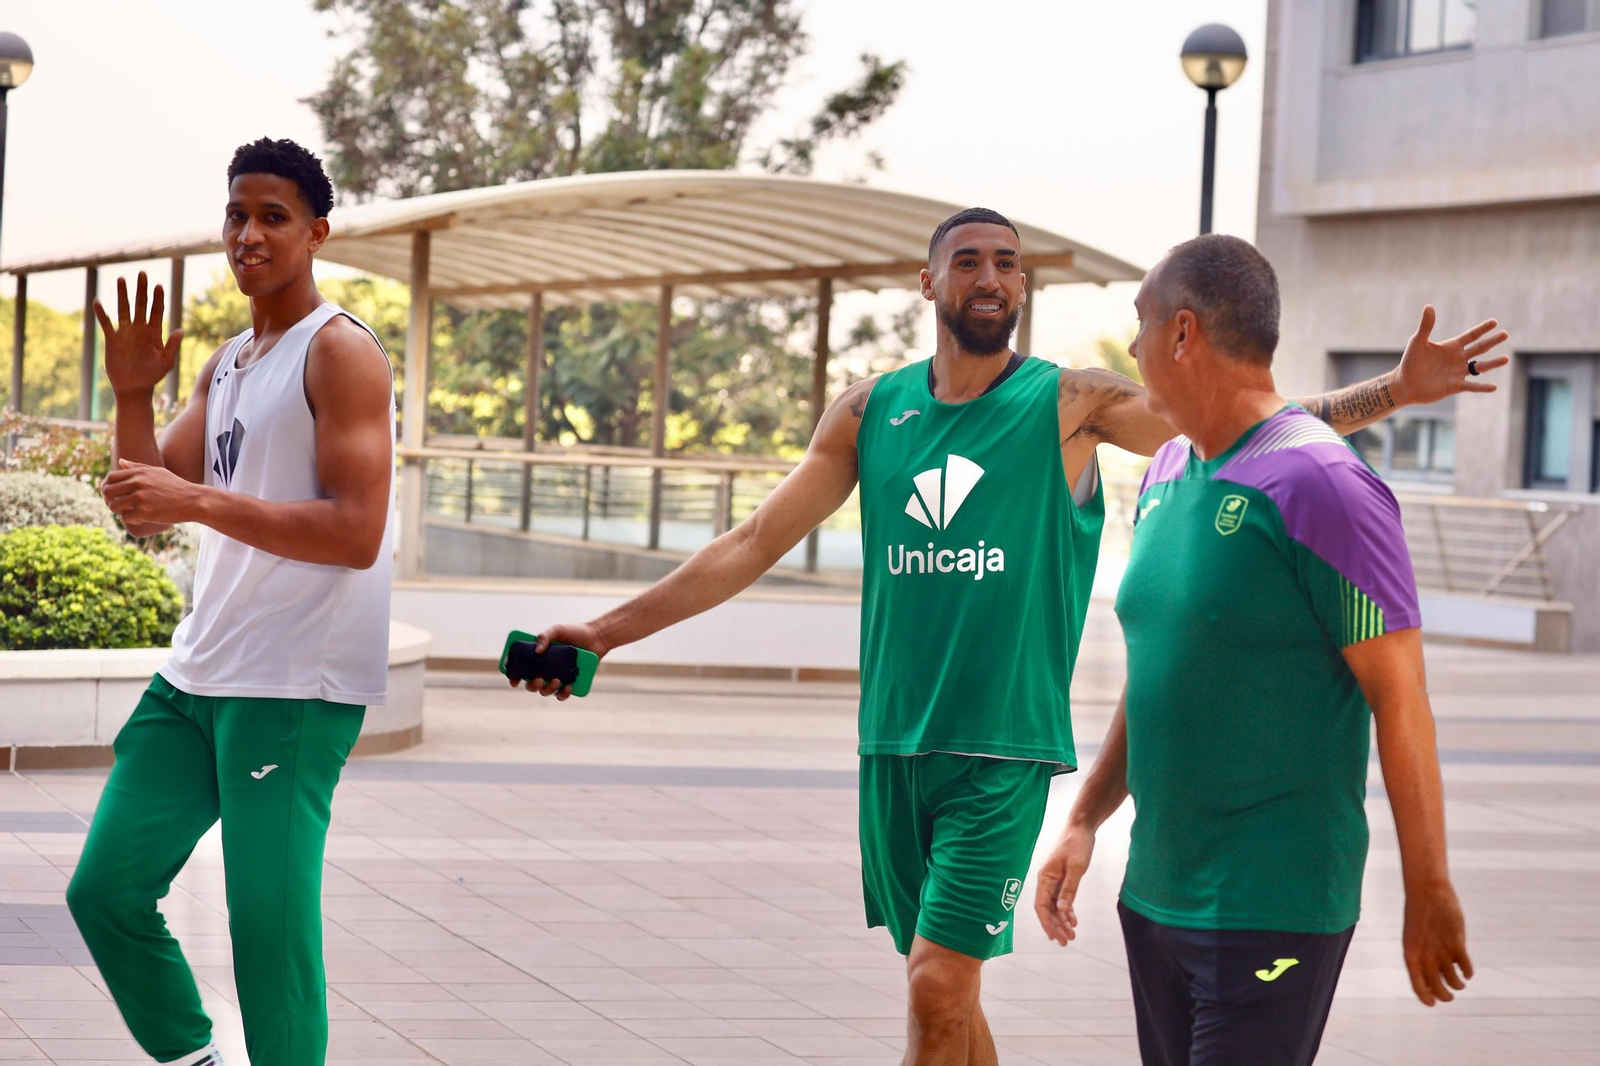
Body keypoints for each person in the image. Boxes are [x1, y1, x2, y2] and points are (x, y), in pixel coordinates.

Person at [517, 208, 1504, 1066]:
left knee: (934, 992)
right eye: (971, 260)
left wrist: (1391, 393)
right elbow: (750, 541)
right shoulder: (871, 410)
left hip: (1003, 752)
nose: (993, 277)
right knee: (945, 997)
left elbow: (1231, 423)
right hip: (894, 746)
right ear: (928, 282)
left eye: (1009, 262)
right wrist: (604, 632)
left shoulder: (1069, 403)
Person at [1034, 234, 1487, 1066]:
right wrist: (1085, 818)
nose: (1131, 350)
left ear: (1182, 334)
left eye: (1140, 326)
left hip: (1272, 905)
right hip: (1157, 895)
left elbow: (1401, 698)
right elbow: (1164, 677)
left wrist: (1429, 889)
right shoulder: (1169, 469)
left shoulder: (1326, 486)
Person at [66, 138, 396, 1066]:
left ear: (316, 232)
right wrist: (132, 391)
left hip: (293, 687)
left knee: (267, 937)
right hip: (198, 673)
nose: (248, 234)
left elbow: (354, 530)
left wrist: (198, 500)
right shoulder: (231, 362)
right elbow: (143, 501)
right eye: (236, 216)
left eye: (273, 217)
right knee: (105, 892)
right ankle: (192, 1056)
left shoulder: (340, 353)